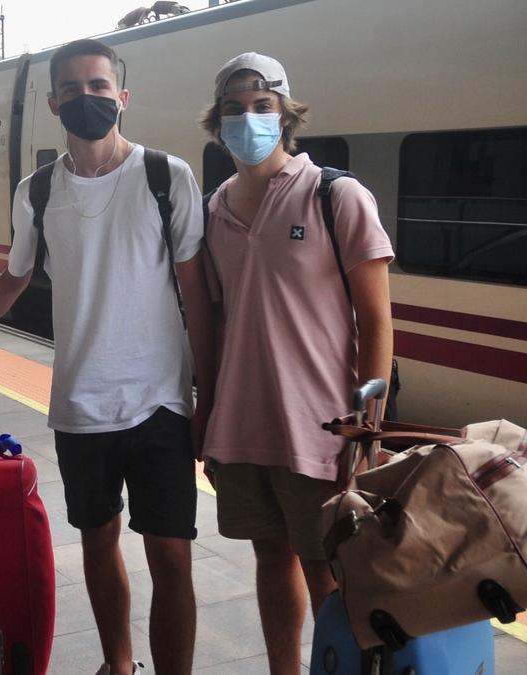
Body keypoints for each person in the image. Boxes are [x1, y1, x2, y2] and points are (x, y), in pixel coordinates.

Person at [0, 38, 215, 675]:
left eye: (99, 86)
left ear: (122, 96)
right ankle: (119, 665)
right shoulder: (38, 191)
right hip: (80, 403)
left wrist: (210, 394)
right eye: (73, 88)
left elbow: (196, 293)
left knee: (172, 554)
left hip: (162, 402)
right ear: (55, 100)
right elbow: (13, 280)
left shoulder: (166, 177)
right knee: (98, 539)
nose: (86, 99)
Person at [197, 53, 393, 675]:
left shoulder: (335, 195)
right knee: (268, 557)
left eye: (262, 107)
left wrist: (370, 421)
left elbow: (377, 321)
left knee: (327, 568)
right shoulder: (212, 211)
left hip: (323, 425)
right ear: (218, 122)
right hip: (244, 423)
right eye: (234, 109)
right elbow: (218, 319)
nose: (248, 119)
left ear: (286, 116)